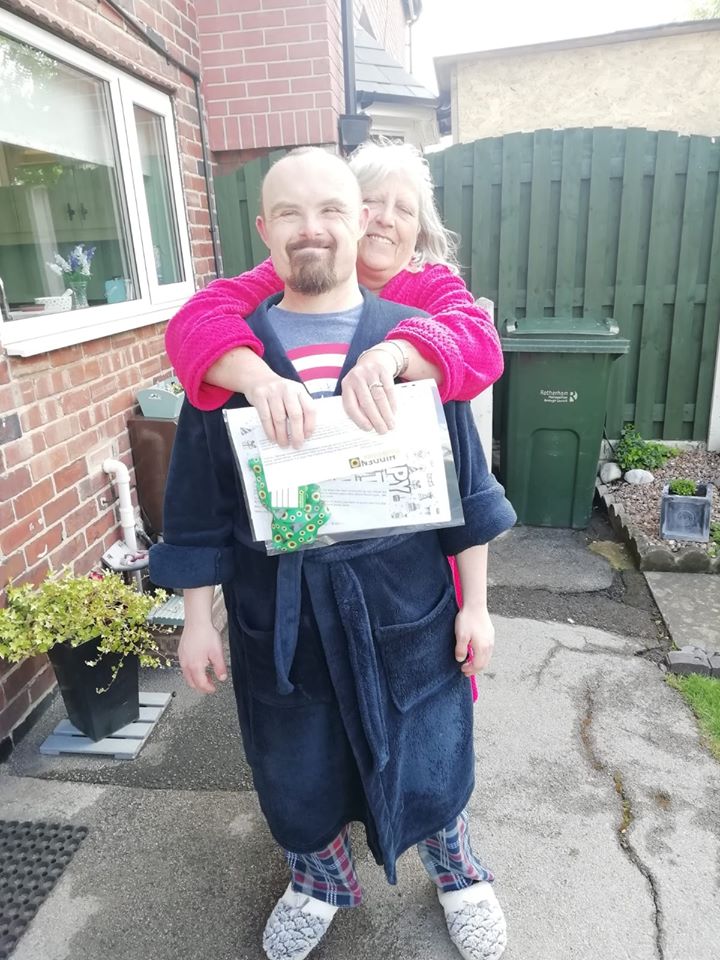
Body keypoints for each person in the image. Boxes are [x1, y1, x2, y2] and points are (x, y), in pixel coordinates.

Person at [150, 148, 516, 960]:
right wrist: (197, 619)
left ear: (357, 226)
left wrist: (478, 606)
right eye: (290, 213)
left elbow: (466, 489)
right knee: (295, 763)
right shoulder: (229, 355)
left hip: (405, 604)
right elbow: (199, 505)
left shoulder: (413, 344)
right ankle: (319, 879)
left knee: (430, 750)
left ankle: (458, 871)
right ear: (264, 229)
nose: (311, 228)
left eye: (330, 211)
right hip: (279, 611)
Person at [164, 140, 504, 449]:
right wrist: (259, 379)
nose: (386, 219)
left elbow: (482, 346)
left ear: (419, 229)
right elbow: (193, 321)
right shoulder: (297, 271)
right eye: (373, 200)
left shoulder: (429, 282)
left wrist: (394, 353)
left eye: (404, 209)